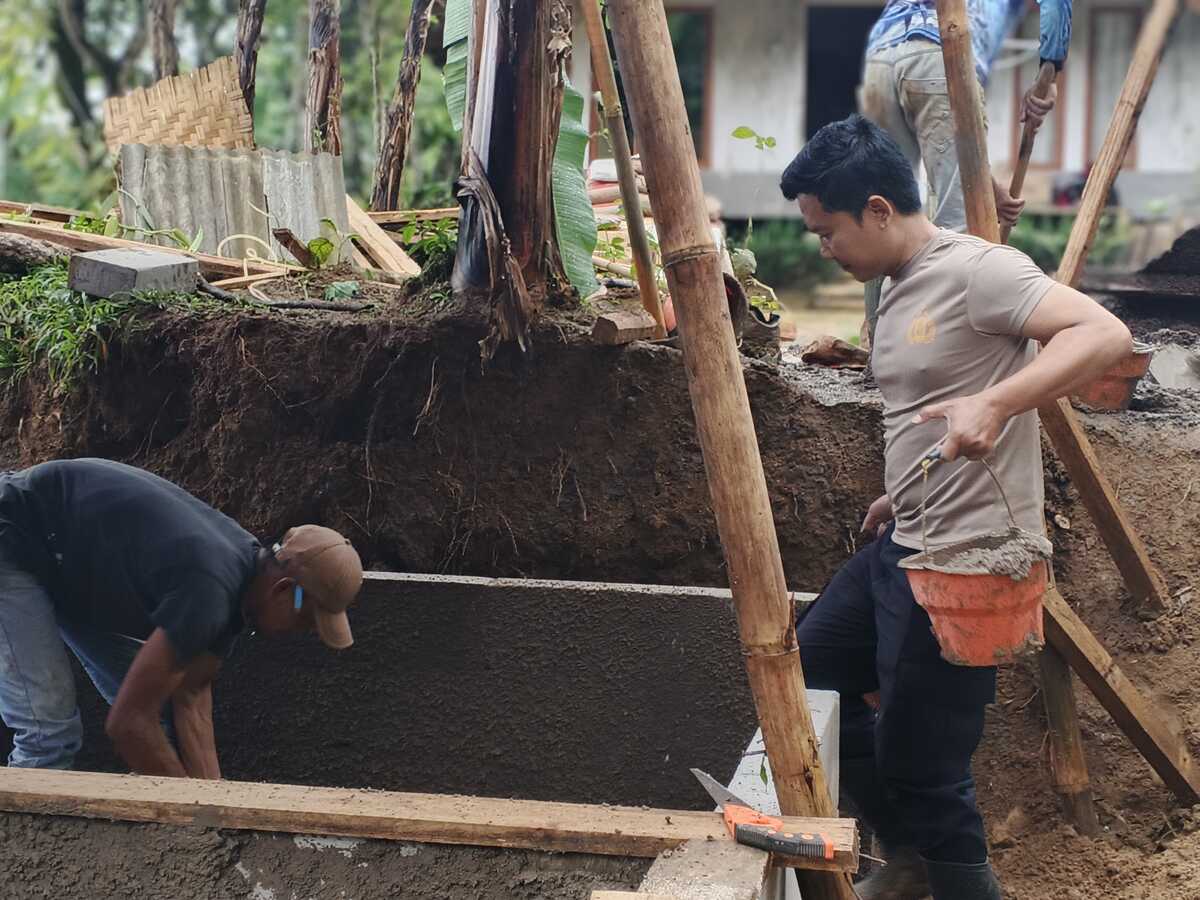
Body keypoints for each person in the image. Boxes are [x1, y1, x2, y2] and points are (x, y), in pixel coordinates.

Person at [779, 116, 1130, 899]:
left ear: (877, 210)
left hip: (965, 563)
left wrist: (998, 403)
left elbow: (1103, 334)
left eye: (827, 231)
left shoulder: (979, 271)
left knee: (926, 768)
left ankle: (956, 880)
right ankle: (907, 860)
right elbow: (929, 405)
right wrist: (899, 490)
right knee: (811, 668)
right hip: (905, 536)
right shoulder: (897, 284)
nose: (822, 248)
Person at [0, 458, 363, 778]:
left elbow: (190, 694)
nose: (301, 632)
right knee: (49, 734)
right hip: (15, 533)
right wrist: (190, 819)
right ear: (284, 590)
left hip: (65, 561)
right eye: (306, 621)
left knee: (162, 716)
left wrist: (215, 809)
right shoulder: (209, 591)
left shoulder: (242, 584)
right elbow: (128, 724)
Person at [861, 0, 1072, 233]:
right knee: (959, 229)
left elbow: (960, 154)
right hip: (942, 53)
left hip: (880, 56)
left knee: (888, 215)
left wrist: (988, 186)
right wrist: (1050, 71)